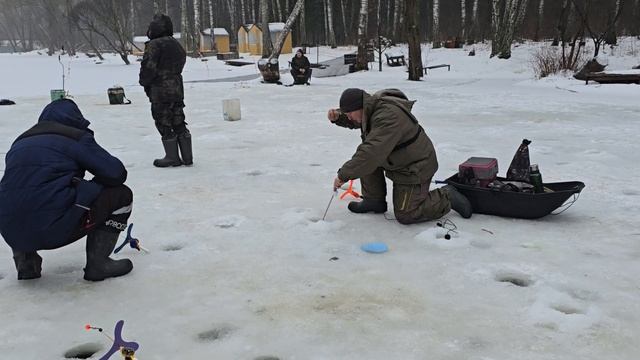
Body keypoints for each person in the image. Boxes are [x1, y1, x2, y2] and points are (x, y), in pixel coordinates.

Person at [0, 99, 134, 281]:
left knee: (22, 196)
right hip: (53, 228)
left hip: (10, 231)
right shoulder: (74, 137)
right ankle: (99, 264)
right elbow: (116, 174)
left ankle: (26, 264)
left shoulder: (20, 143)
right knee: (121, 195)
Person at [327, 88, 472, 224]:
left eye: (349, 114)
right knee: (367, 161)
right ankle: (373, 200)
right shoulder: (370, 108)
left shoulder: (388, 116)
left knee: (407, 214)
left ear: (359, 107)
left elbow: (371, 153)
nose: (349, 118)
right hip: (396, 159)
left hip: (415, 166)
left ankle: (447, 196)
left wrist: (343, 175)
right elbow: (361, 123)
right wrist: (339, 118)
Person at [139, 14, 192, 168]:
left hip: (160, 90)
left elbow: (148, 69)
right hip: (176, 88)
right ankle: (187, 157)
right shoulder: (175, 43)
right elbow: (181, 60)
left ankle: (172, 157)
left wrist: (144, 82)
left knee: (163, 122)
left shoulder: (154, 45)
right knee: (178, 120)